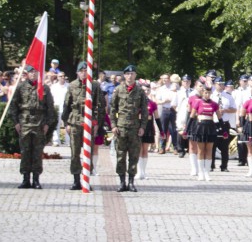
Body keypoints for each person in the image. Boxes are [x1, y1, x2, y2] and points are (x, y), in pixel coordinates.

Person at [8, 64, 56, 190]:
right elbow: (13, 106)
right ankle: (25, 179)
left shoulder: (44, 88)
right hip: (25, 122)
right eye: (31, 72)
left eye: (35, 72)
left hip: (39, 123)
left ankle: (36, 179)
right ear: (27, 74)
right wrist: (16, 122)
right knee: (25, 152)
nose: (33, 74)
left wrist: (47, 124)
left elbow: (50, 108)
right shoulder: (21, 87)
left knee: (37, 152)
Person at [61, 62, 108, 190]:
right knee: (75, 152)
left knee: (89, 152)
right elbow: (67, 105)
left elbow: (101, 105)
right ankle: (76, 180)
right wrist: (66, 123)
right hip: (75, 121)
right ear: (77, 73)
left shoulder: (94, 85)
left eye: (86, 71)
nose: (83, 73)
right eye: (81, 71)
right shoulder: (72, 85)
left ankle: (86, 179)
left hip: (90, 122)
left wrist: (98, 123)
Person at [109, 65, 148, 192]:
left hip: (135, 128)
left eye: (132, 74)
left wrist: (142, 126)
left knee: (134, 156)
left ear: (135, 75)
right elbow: (112, 109)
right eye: (128, 74)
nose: (130, 76)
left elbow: (144, 111)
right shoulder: (118, 90)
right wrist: (113, 126)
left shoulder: (140, 91)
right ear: (124, 75)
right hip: (121, 128)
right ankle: (122, 182)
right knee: (120, 155)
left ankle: (131, 182)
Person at [185, 81, 219, 182]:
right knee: (200, 150)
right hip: (200, 127)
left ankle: (207, 172)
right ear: (202, 92)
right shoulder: (197, 102)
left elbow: (219, 117)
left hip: (210, 127)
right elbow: (191, 116)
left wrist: (223, 130)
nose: (207, 95)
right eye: (205, 93)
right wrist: (187, 129)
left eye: (209, 93)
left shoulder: (214, 104)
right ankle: (200, 172)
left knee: (209, 150)